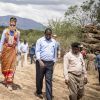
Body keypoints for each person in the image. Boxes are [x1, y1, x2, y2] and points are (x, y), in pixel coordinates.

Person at [35, 28, 57, 100]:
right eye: (47, 34)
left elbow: (55, 53)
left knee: (49, 80)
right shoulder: (40, 40)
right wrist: (40, 61)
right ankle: (39, 92)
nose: (48, 36)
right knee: (39, 78)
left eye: (49, 34)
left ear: (51, 34)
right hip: (41, 62)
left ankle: (49, 97)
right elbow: (37, 51)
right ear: (44, 34)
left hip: (50, 63)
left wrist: (54, 61)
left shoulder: (54, 42)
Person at [0, 17, 20, 90]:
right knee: (4, 66)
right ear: (9, 24)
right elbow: (2, 41)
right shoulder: (5, 31)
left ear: (15, 25)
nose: (12, 26)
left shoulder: (18, 33)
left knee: (12, 67)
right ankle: (6, 79)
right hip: (5, 51)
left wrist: (18, 50)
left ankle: (9, 83)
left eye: (13, 25)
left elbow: (18, 42)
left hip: (12, 52)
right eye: (11, 25)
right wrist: (0, 51)